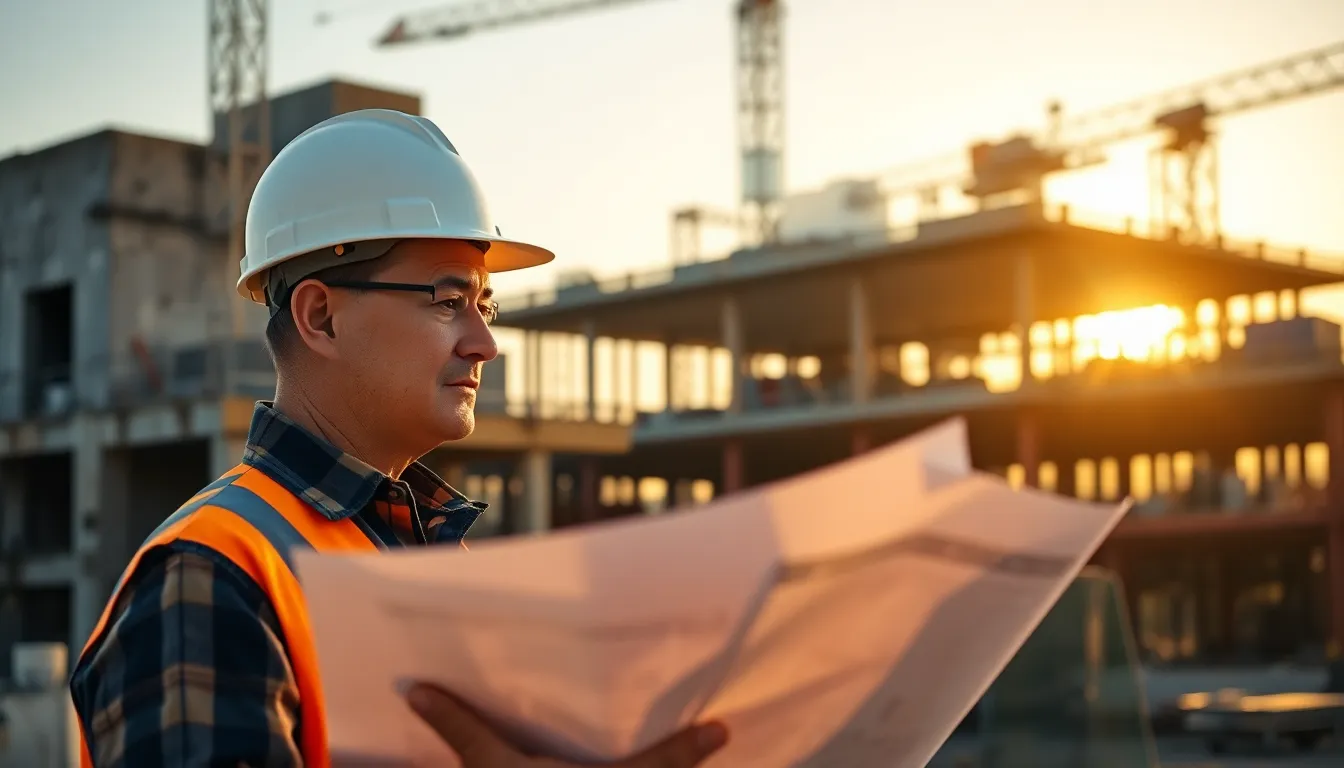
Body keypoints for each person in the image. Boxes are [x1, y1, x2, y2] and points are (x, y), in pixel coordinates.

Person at [68, 109, 729, 768]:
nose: (485, 343)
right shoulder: (208, 578)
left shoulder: (425, 557)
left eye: (484, 306)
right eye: (447, 302)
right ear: (321, 317)